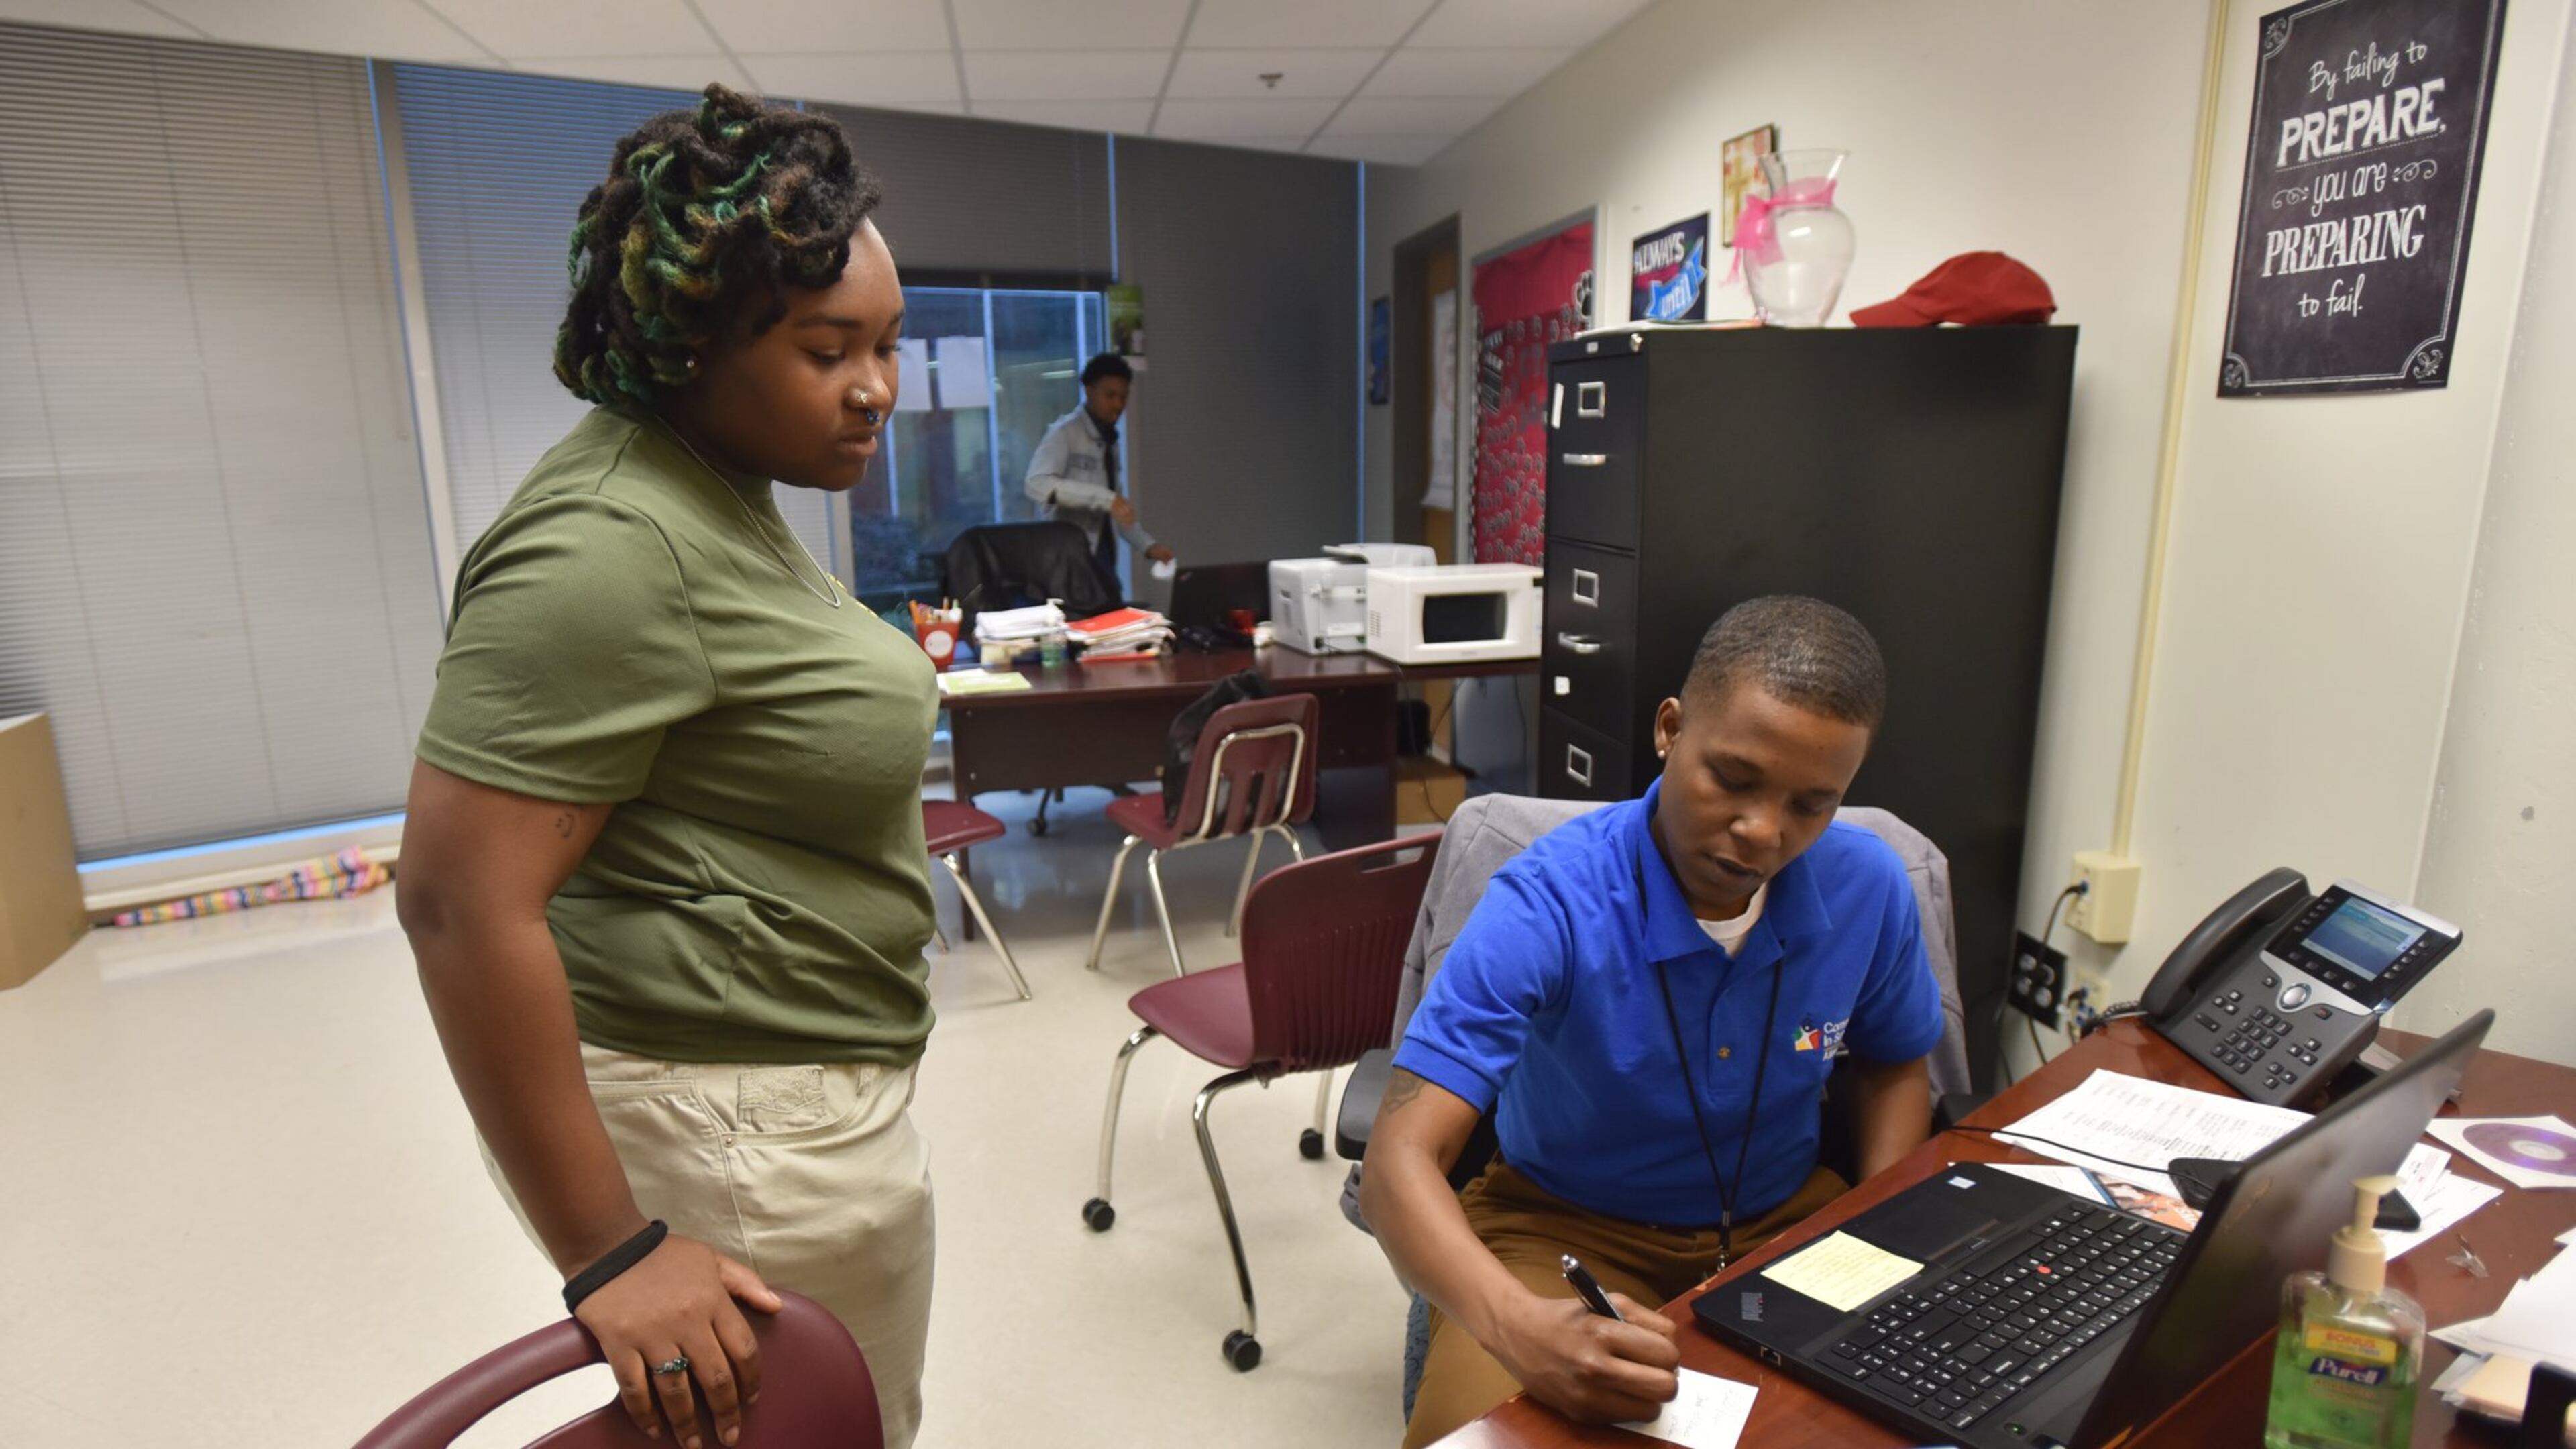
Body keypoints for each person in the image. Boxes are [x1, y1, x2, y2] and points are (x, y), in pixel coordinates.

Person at [396, 87, 939, 1449]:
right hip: (733, 1137)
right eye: (830, 348)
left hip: (785, 1099)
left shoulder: (722, 496)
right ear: (691, 343)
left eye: (886, 344)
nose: (875, 386)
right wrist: (615, 1253)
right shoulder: (606, 543)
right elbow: (457, 901)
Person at [1360, 596, 1945, 1446]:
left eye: (1811, 805)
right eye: (1734, 780)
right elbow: (1396, 1162)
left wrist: (1880, 1229)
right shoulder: (1546, 900)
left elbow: (1895, 1063)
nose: (1761, 832)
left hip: (1787, 1222)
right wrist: (1520, 1326)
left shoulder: (1871, 884)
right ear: (1670, 730)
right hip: (1561, 1231)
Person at [1024, 351, 1173, 596]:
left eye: (1123, 397)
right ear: (1089, 391)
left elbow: (1118, 511)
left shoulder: (1109, 441)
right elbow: (1035, 483)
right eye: (1110, 395)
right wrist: (1103, 498)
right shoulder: (1065, 432)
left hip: (1101, 563)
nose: (1118, 404)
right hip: (1067, 566)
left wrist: (1149, 547)